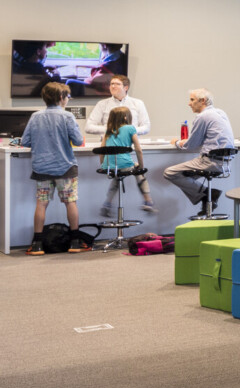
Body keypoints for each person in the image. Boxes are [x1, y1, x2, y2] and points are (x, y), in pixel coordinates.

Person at [22, 82, 88, 254]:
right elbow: (79, 141)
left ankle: (37, 244)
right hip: (65, 167)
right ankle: (75, 242)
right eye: (67, 96)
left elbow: (25, 142)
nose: (68, 99)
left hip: (41, 168)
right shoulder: (67, 117)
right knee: (70, 202)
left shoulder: (35, 116)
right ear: (61, 97)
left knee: (41, 204)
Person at [164, 88, 236, 212]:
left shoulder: (203, 116)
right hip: (224, 163)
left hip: (209, 162)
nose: (189, 103)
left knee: (170, 172)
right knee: (185, 174)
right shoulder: (220, 113)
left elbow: (190, 145)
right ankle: (207, 197)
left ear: (202, 101)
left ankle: (208, 193)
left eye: (192, 100)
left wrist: (176, 142)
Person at [99, 106, 154, 213]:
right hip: (124, 165)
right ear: (125, 117)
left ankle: (107, 203)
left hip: (109, 166)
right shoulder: (130, 128)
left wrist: (103, 165)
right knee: (137, 168)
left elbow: (102, 150)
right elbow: (138, 149)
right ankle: (148, 201)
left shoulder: (108, 131)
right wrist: (141, 166)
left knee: (117, 174)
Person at [85, 74, 151, 136]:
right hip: (108, 144)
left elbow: (146, 127)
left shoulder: (138, 103)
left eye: (117, 84)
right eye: (112, 84)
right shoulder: (102, 104)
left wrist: (129, 130)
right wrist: (111, 130)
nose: (113, 86)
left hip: (131, 143)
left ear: (126, 88)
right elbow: (88, 127)